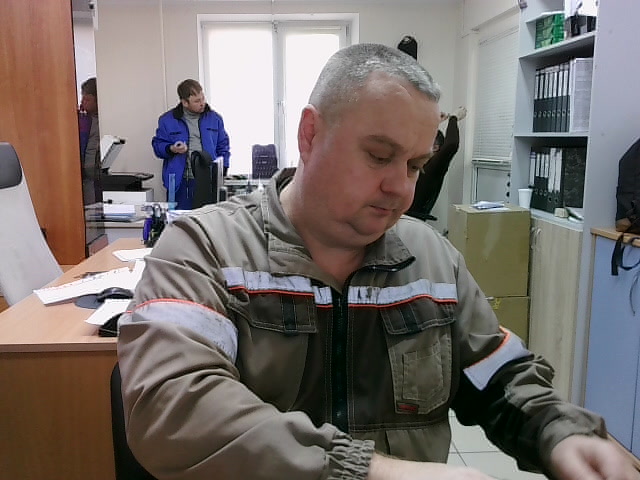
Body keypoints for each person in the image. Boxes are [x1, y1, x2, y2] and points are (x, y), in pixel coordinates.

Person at [118, 44, 638, 480]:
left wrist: (558, 431)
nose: (402, 189)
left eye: (415, 165)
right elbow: (170, 408)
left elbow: (498, 373)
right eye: (379, 156)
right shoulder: (203, 248)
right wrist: (364, 470)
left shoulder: (432, 258)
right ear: (310, 135)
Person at [151, 79, 230, 209]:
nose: (202, 103)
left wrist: (223, 172)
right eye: (197, 101)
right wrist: (172, 149)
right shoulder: (167, 120)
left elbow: (224, 147)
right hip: (181, 183)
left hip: (208, 181)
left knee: (207, 219)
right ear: (185, 102)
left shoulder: (215, 119)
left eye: (203, 98)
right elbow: (157, 146)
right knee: (180, 220)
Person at [405, 106, 467, 221]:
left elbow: (451, 144)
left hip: (411, 220)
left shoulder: (434, 166)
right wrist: (433, 123)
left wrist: (453, 118)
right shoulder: (415, 163)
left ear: (435, 148)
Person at [78, 77, 101, 203]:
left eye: (87, 99)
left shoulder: (101, 119)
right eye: (83, 98)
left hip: (94, 172)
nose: (82, 102)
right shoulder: (82, 119)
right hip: (84, 172)